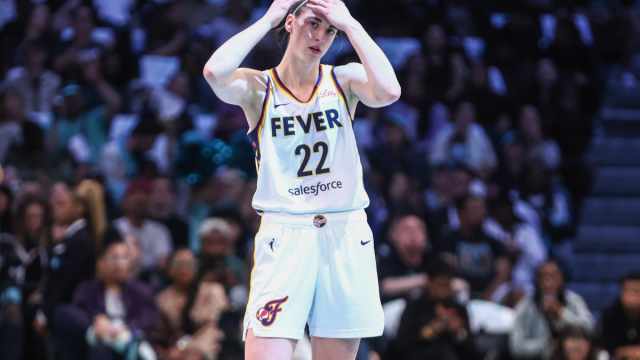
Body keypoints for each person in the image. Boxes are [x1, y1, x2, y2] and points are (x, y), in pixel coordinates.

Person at [202, 0, 401, 359]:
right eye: (312, 23)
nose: (320, 36)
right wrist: (268, 18)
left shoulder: (344, 79)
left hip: (344, 230)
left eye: (330, 30)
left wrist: (351, 24)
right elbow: (215, 72)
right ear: (291, 22)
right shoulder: (259, 87)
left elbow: (389, 91)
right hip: (285, 232)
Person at [510, 260, 594, 360]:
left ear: (562, 279)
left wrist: (561, 312)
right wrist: (547, 345)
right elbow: (516, 347)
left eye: (553, 276)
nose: (548, 281)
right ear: (537, 280)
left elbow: (589, 329)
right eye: (544, 276)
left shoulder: (574, 300)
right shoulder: (525, 306)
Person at [599, 273, 640, 359]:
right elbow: (605, 348)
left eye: (636, 291)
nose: (631, 295)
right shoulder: (610, 314)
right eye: (627, 290)